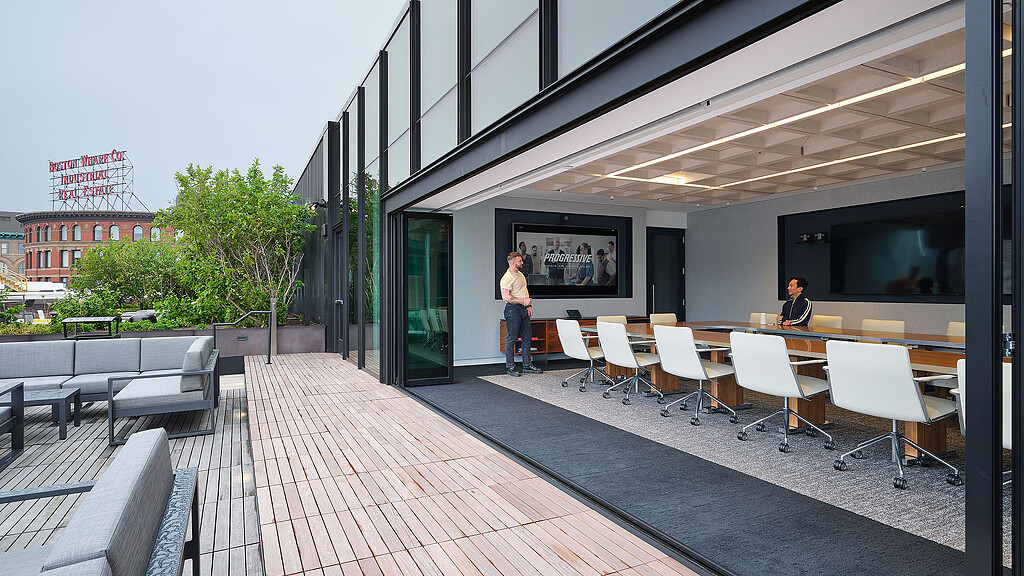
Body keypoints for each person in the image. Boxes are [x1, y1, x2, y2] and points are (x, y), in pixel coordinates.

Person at [500, 251, 543, 377]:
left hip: (523, 310)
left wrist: (528, 305)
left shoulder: (520, 275)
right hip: (513, 310)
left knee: (527, 337)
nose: (522, 263)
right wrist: (523, 301)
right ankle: (510, 367)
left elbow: (523, 291)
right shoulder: (507, 278)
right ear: (513, 263)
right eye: (520, 261)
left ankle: (527, 365)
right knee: (511, 339)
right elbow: (506, 297)